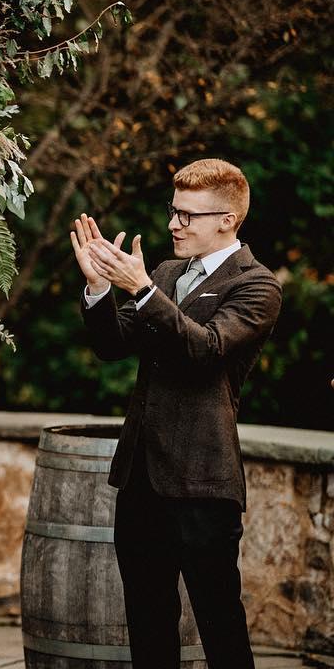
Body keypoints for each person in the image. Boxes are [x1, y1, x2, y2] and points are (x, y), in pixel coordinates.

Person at [70, 158, 282, 668]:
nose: (173, 224)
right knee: (148, 626)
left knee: (220, 627)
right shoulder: (166, 272)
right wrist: (99, 288)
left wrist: (142, 290)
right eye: (173, 211)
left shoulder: (257, 285)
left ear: (227, 220)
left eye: (188, 215)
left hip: (203, 483)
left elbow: (205, 350)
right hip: (141, 478)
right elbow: (112, 346)